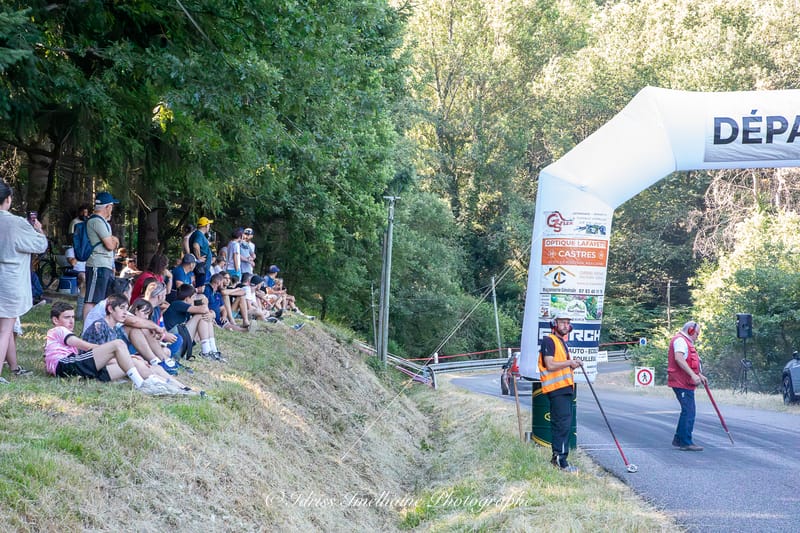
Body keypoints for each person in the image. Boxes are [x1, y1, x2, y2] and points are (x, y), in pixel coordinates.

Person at [46, 301, 180, 395]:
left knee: (136, 362)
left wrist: (125, 356)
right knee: (118, 344)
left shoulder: (59, 336)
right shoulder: (58, 330)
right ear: (55, 320)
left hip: (74, 368)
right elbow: (85, 346)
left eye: (73, 317)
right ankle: (142, 385)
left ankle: (178, 387)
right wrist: (110, 351)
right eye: (67, 317)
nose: (72, 321)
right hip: (65, 365)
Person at [0, 180, 48, 379]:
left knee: (7, 326)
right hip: (9, 280)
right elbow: (40, 245)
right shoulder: (16, 223)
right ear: (8, 199)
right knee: (5, 329)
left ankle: (14, 367)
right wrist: (38, 229)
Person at [539, 311, 581, 472]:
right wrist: (570, 362)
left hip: (564, 388)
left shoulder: (561, 342)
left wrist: (573, 363)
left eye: (567, 323)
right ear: (554, 324)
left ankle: (557, 458)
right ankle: (561, 461)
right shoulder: (549, 340)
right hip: (557, 389)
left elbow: (562, 365)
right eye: (562, 322)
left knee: (563, 424)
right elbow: (550, 365)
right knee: (562, 425)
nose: (566, 325)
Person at [668, 321, 707, 452]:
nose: (697, 337)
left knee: (688, 410)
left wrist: (698, 374)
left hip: (685, 381)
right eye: (697, 334)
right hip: (681, 381)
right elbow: (679, 359)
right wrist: (692, 375)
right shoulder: (680, 341)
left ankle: (679, 439)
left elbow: (688, 361)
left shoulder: (685, 341)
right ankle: (685, 442)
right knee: (689, 411)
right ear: (690, 330)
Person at [83, 191, 121, 321]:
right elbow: (110, 244)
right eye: (112, 206)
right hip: (97, 265)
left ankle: (97, 326)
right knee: (92, 299)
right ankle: (87, 328)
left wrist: (113, 240)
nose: (112, 209)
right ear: (108, 207)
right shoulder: (96, 221)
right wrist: (115, 241)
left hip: (104, 265)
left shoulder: (102, 222)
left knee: (100, 300)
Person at [164, 284, 224, 361]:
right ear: (187, 298)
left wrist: (212, 315)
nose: (194, 299)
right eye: (193, 297)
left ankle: (213, 350)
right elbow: (204, 310)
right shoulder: (177, 304)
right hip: (176, 341)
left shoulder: (186, 307)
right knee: (201, 316)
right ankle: (206, 351)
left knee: (206, 318)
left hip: (183, 340)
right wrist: (205, 303)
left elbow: (209, 312)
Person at [189, 216, 213, 287]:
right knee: (200, 287)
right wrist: (198, 258)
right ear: (206, 226)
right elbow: (195, 245)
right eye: (209, 225)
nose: (209, 227)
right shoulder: (199, 234)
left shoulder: (198, 234)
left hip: (202, 267)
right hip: (201, 268)